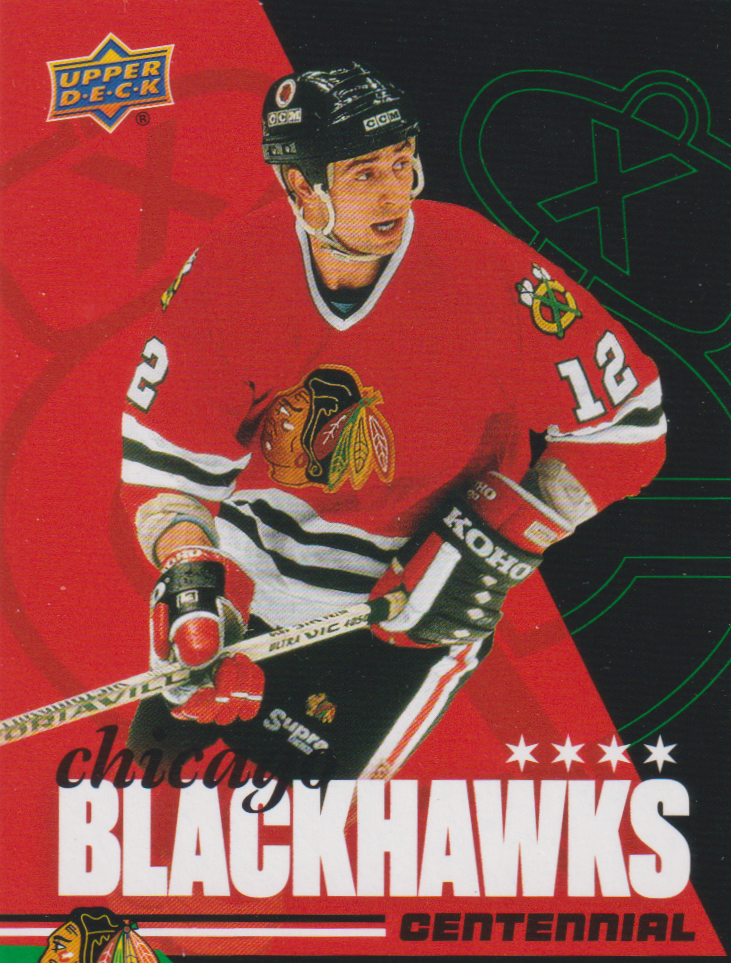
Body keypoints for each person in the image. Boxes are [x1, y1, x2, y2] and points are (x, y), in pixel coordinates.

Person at [121, 63, 665, 783]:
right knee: (137, 792)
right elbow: (169, 471)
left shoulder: (486, 271)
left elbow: (630, 427)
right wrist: (192, 578)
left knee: (302, 837)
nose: (394, 194)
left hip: (405, 605)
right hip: (245, 581)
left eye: (402, 163)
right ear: (301, 187)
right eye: (364, 174)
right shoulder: (231, 271)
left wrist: (490, 541)